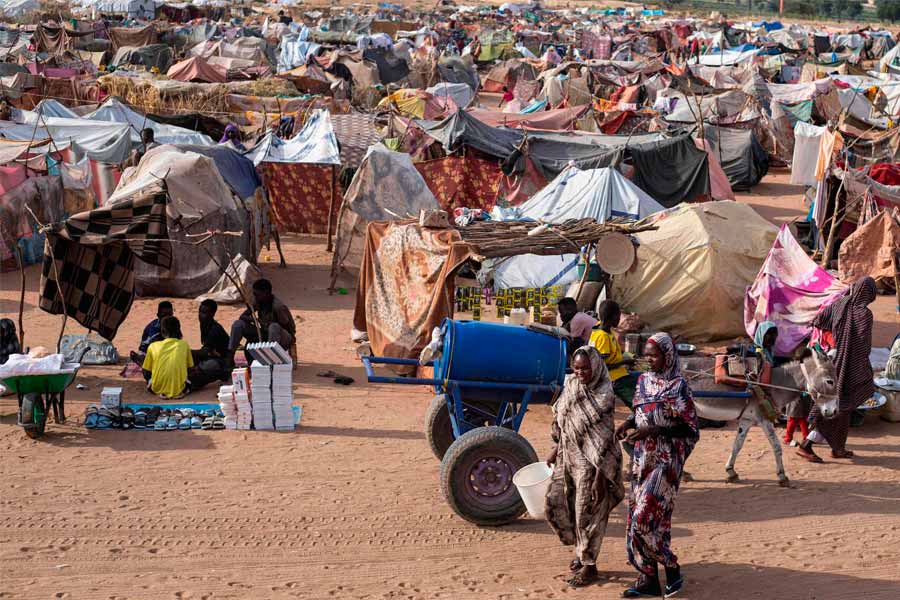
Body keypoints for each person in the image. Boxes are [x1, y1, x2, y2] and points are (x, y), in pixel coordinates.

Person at [617, 333, 699, 599]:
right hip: (642, 460)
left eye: (654, 355)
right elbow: (641, 410)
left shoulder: (678, 386)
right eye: (647, 355)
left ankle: (672, 567)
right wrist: (629, 424)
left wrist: (652, 430)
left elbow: (688, 428)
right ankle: (649, 579)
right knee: (651, 521)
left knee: (643, 518)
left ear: (668, 355)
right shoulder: (643, 381)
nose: (649, 360)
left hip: (666, 461)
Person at [545, 346, 625, 587]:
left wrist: (601, 477)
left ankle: (590, 565)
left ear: (596, 367)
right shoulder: (571, 385)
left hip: (592, 465)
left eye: (585, 368)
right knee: (557, 503)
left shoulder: (603, 395)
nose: (580, 372)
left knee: (586, 513)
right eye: (577, 367)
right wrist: (555, 448)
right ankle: (581, 553)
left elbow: (604, 439)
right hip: (567, 457)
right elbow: (563, 417)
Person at [797, 277, 876, 462]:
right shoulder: (864, 313)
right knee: (837, 405)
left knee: (844, 406)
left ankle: (838, 448)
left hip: (834, 360)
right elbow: (864, 344)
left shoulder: (840, 304)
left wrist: (833, 342)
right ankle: (806, 445)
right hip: (850, 365)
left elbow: (818, 320)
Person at [229, 279, 295, 357]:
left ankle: (270, 356)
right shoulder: (258, 301)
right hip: (265, 333)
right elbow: (242, 317)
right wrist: (255, 320)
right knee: (238, 324)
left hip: (282, 338)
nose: (255, 297)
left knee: (273, 327)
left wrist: (268, 325)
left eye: (257, 294)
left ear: (266, 293)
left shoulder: (278, 306)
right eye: (254, 294)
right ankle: (230, 355)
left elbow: (287, 327)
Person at [590, 300, 637, 408]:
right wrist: (625, 361)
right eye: (618, 316)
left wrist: (627, 354)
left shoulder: (602, 328)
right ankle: (639, 413)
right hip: (613, 378)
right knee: (637, 401)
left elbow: (612, 351)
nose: (620, 319)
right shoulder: (603, 337)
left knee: (642, 377)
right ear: (611, 318)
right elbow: (601, 366)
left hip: (618, 373)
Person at [142, 316, 194, 399]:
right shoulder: (184, 345)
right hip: (181, 389)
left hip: (156, 388)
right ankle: (177, 389)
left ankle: (161, 387)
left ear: (162, 331)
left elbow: (146, 371)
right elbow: (190, 368)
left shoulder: (153, 346)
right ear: (179, 330)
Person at [190, 299, 231, 390]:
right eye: (200, 312)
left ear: (212, 314)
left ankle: (223, 374)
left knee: (203, 368)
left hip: (222, 361)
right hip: (211, 355)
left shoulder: (215, 329)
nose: (200, 315)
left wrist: (186, 351)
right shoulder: (204, 324)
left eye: (204, 313)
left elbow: (205, 352)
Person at [131, 301, 174, 366]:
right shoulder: (155, 327)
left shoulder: (173, 325)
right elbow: (154, 345)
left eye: (169, 314)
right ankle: (141, 360)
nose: (167, 317)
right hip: (147, 351)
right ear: (158, 315)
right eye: (164, 315)